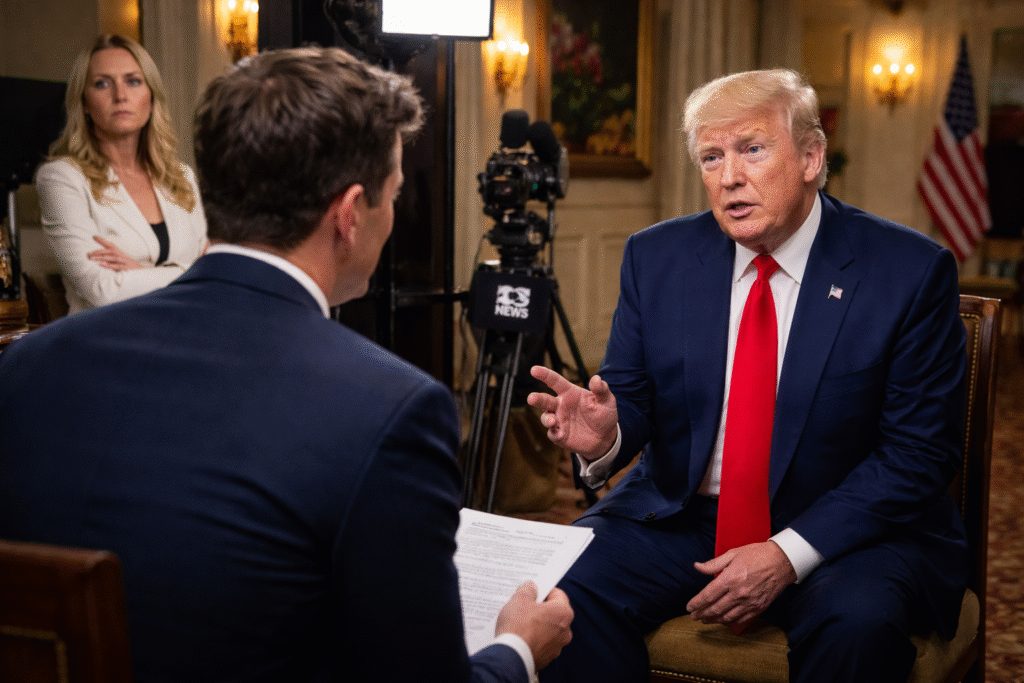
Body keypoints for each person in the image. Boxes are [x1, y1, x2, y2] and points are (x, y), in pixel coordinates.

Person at [0, 46, 572, 683]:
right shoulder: (390, 409)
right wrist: (517, 649)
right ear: (349, 214)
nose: (392, 217)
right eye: (393, 198)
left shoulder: (25, 366)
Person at [527, 68, 968, 683]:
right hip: (689, 515)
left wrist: (787, 554)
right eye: (711, 156)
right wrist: (609, 436)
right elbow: (629, 397)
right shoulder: (657, 258)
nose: (729, 176)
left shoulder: (908, 272)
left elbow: (918, 455)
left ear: (812, 157)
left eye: (752, 149)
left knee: (858, 623)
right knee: (558, 591)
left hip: (849, 528)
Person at [35, 34, 207, 314]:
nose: (120, 95)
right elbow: (103, 290)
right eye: (102, 84)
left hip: (180, 335)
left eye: (133, 81)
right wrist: (188, 275)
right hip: (106, 342)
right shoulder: (61, 179)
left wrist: (139, 272)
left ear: (151, 97)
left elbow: (216, 274)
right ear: (85, 104)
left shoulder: (182, 177)